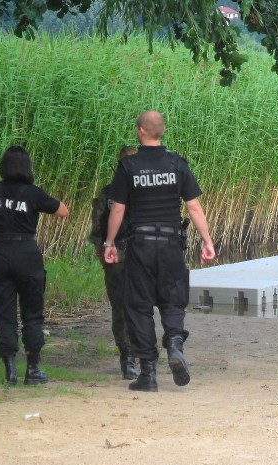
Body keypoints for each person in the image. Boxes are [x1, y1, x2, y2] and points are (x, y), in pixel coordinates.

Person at [104, 110, 215, 392]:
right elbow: (193, 206)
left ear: (141, 131)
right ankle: (175, 344)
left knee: (139, 306)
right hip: (171, 244)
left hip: (140, 244)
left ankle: (148, 374)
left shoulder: (129, 166)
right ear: (161, 131)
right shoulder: (177, 163)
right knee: (173, 300)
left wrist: (109, 243)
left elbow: (118, 208)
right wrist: (207, 241)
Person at [0, 145, 69, 386]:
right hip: (27, 253)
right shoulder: (33, 193)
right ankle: (33, 368)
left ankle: (9, 370)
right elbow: (63, 211)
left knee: (4, 316)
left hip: (0, 252)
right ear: (27, 168)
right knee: (32, 314)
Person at [89, 146, 139, 381]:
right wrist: (102, 248)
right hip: (118, 254)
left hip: (140, 254)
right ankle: (128, 356)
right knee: (122, 307)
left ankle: (135, 354)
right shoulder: (109, 194)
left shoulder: (145, 192)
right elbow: (97, 226)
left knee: (136, 307)